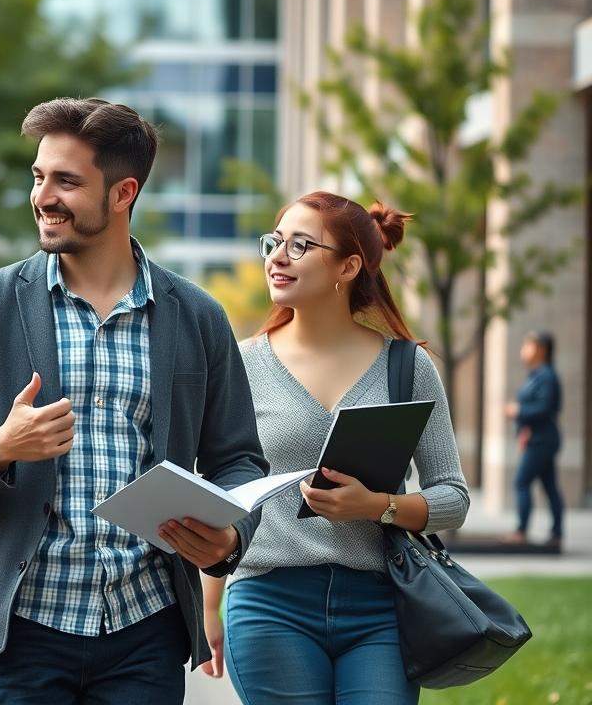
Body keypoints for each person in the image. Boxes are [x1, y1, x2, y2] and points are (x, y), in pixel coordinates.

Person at [0, 98, 269, 704]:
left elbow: (240, 463)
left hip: (146, 627)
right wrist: (0, 446)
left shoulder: (197, 317)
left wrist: (230, 540)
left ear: (123, 193)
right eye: (39, 177)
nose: (43, 196)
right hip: (23, 629)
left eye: (67, 181)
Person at [199, 192, 470, 704]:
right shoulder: (242, 364)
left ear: (348, 266)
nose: (277, 257)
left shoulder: (408, 368)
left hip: (381, 609)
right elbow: (223, 494)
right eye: (274, 242)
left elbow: (452, 499)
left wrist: (376, 506)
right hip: (268, 602)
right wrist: (209, 607)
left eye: (300, 245)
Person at [502, 330, 563, 547]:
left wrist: (518, 411)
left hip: (542, 441)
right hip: (536, 439)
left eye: (528, 345)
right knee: (549, 486)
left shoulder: (546, 376)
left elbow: (544, 408)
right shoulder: (537, 374)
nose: (524, 350)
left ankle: (522, 531)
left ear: (541, 350)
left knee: (522, 481)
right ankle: (557, 534)